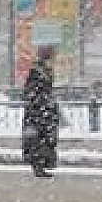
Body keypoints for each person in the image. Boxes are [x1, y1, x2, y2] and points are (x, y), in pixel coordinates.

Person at [22, 44, 61, 178]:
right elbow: (31, 91)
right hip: (38, 112)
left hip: (43, 111)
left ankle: (41, 165)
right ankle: (38, 166)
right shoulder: (38, 70)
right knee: (38, 139)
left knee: (44, 139)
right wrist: (42, 102)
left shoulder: (45, 69)